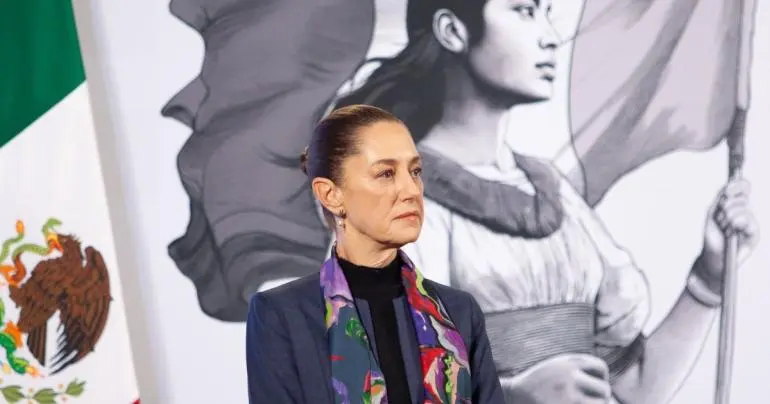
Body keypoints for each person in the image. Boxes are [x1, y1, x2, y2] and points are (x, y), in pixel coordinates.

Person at [333, 0, 760, 403]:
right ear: (452, 30)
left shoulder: (555, 194)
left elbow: (635, 386)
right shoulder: (394, 200)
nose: (551, 37)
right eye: (524, 10)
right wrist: (511, 394)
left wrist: (709, 276)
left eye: (547, 13)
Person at [245, 105, 506, 403]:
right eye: (386, 173)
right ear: (330, 194)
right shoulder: (282, 315)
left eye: (415, 171)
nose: (411, 190)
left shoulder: (459, 311)